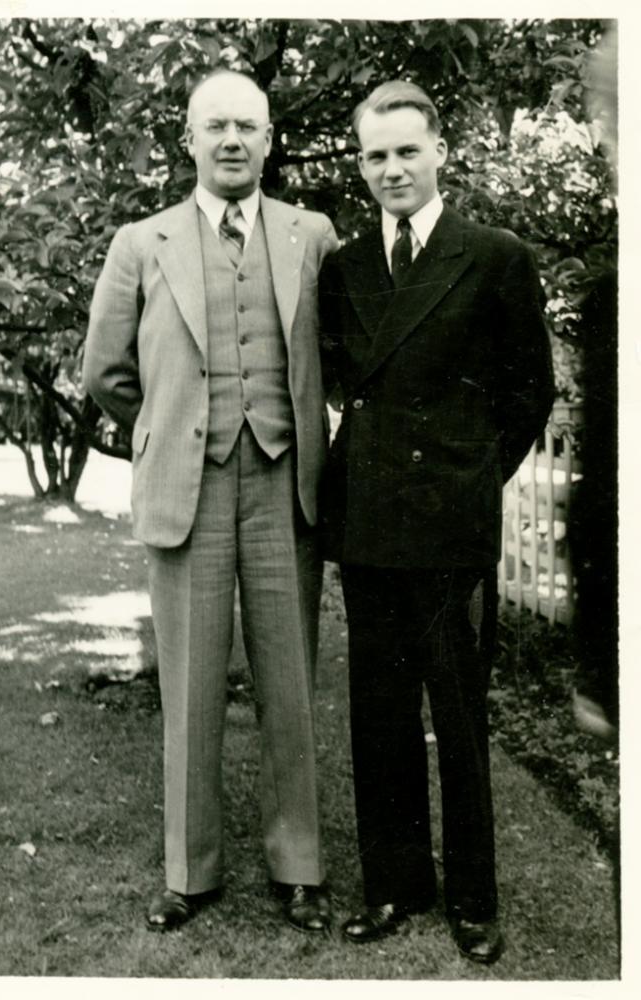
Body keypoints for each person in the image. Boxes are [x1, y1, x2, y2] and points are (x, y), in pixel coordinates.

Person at [83, 69, 338, 934]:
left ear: (270, 140)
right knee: (187, 687)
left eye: (248, 127)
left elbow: (334, 356)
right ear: (188, 138)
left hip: (283, 481)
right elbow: (106, 373)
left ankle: (298, 866)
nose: (232, 141)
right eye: (215, 126)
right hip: (185, 492)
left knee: (289, 685)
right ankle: (189, 874)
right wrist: (171, 426)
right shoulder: (140, 242)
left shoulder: (314, 235)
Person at [319, 80, 554, 963]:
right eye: (374, 155)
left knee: (458, 714)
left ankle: (472, 897)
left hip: (450, 532)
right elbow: (344, 382)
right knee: (377, 715)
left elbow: (530, 388)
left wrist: (471, 473)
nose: (390, 169)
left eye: (405, 151)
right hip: (371, 528)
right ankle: (394, 887)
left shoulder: (492, 254)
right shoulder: (343, 266)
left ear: (440, 151)